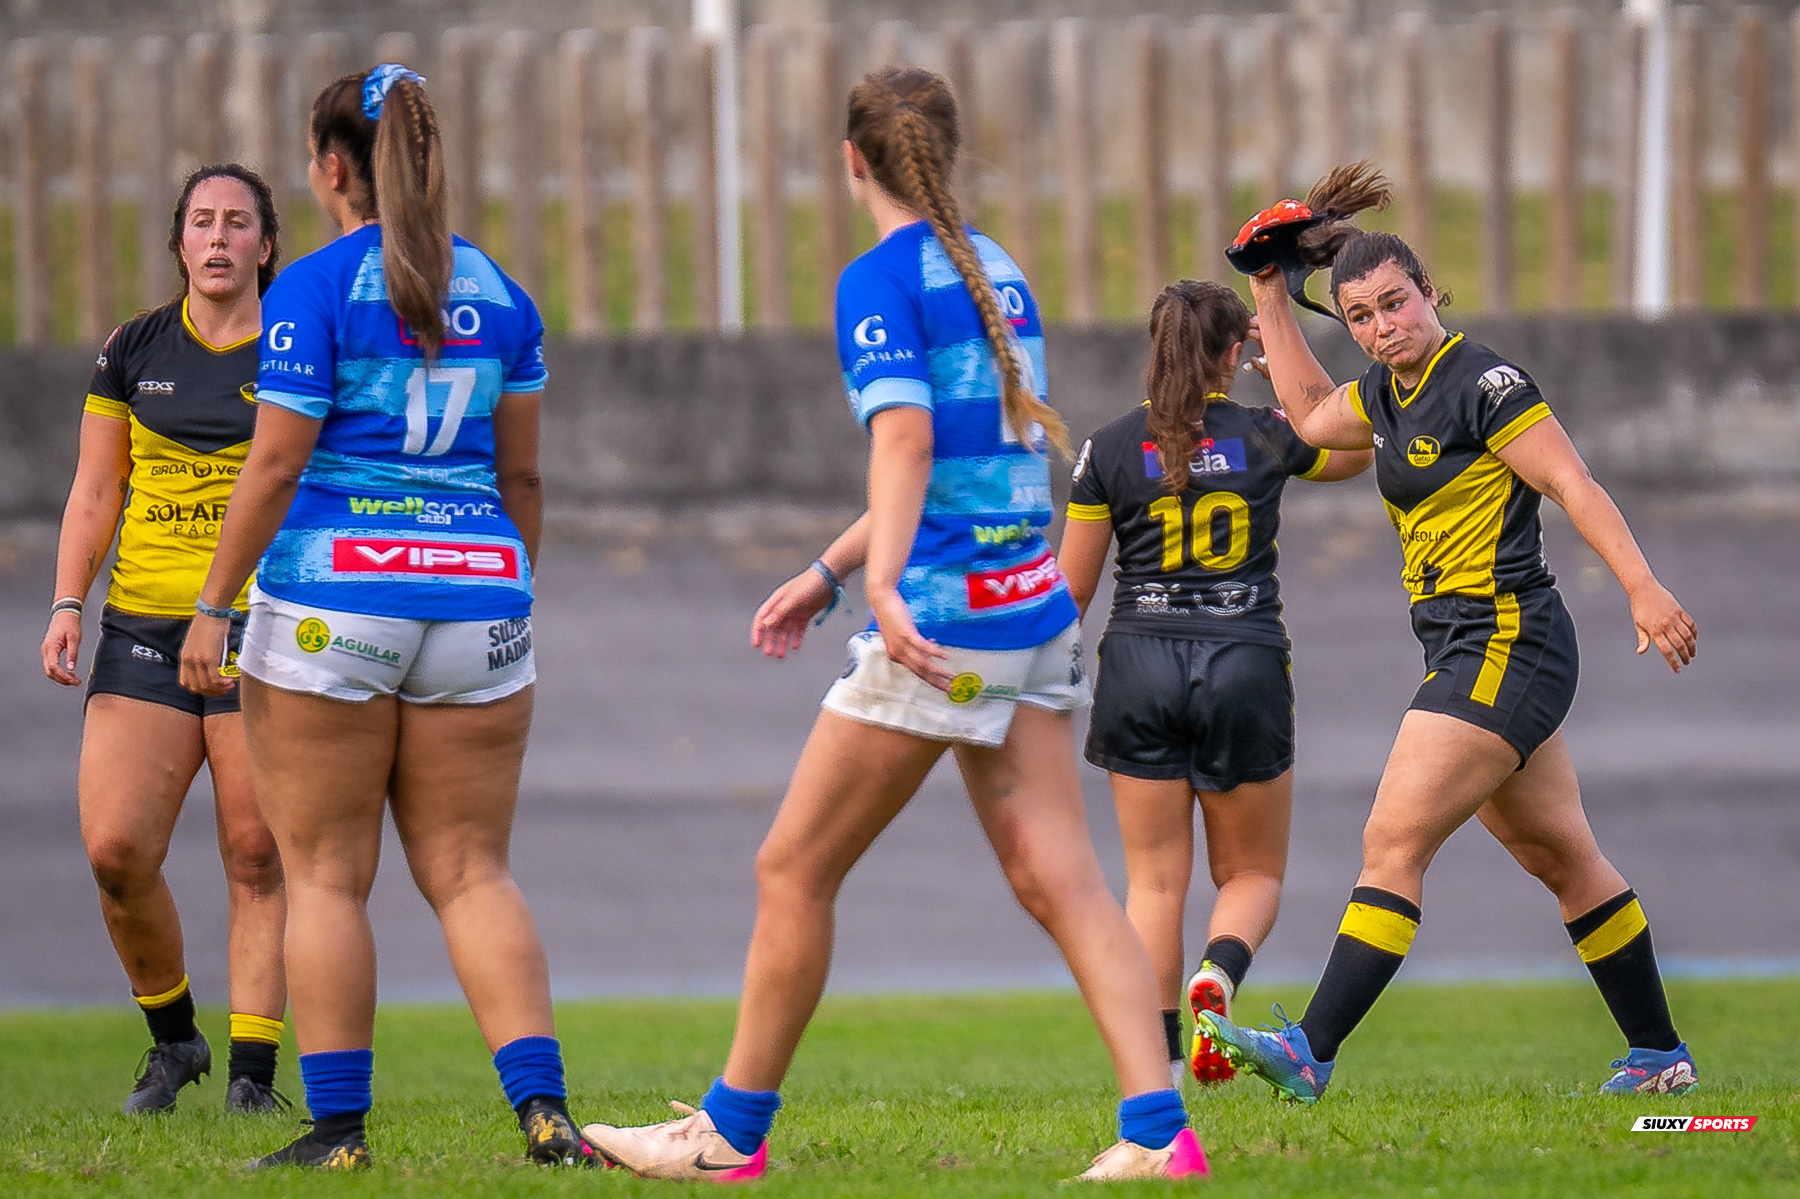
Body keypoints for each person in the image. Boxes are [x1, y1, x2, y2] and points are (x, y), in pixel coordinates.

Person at [579, 66, 1208, 1183]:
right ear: (949, 156)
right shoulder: (996, 268)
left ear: (853, 159)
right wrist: (833, 564)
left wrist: (878, 588)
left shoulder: (878, 279)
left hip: (946, 617)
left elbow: (909, 444)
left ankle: (727, 1130)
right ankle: (1161, 1135)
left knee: (792, 866)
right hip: (1028, 603)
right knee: (1059, 874)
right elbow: (972, 458)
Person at [1196, 164, 1700, 1102]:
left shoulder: (1483, 381)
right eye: (1362, 316)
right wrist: (1266, 287)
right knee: (1563, 857)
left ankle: (1311, 1047)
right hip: (1467, 646)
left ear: (1431, 293)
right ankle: (1660, 1058)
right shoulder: (1389, 394)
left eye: (1397, 304)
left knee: (1392, 839)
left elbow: (1573, 484)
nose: (1385, 325)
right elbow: (1310, 415)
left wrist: (1642, 586)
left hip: (1507, 640)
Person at [176, 64, 591, 1169]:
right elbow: (527, 481)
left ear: (327, 168)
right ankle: (545, 1113)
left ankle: (342, 1128)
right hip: (481, 599)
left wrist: (214, 606)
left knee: (322, 875)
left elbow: (272, 465)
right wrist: (512, 594)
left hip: (331, 601)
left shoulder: (311, 289)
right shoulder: (503, 293)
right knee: (472, 870)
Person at [1056, 279, 1371, 1089]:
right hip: (1244, 660)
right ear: (1236, 353)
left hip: (1138, 662)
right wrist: (1281, 383)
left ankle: (1158, 1059)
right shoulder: (1269, 434)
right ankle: (1219, 979)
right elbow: (1358, 448)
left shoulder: (1110, 447)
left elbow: (1072, 592)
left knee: (1155, 879)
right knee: (1252, 873)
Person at [41, 164, 289, 1116]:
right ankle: (175, 1038)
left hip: (261, 635)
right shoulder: (132, 348)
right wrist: (69, 601)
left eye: (237, 223)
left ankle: (254, 1079)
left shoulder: (298, 349)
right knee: (114, 850)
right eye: (201, 222)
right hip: (141, 630)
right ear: (179, 243)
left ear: (267, 244)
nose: (218, 238)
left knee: (257, 851)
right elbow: (97, 490)